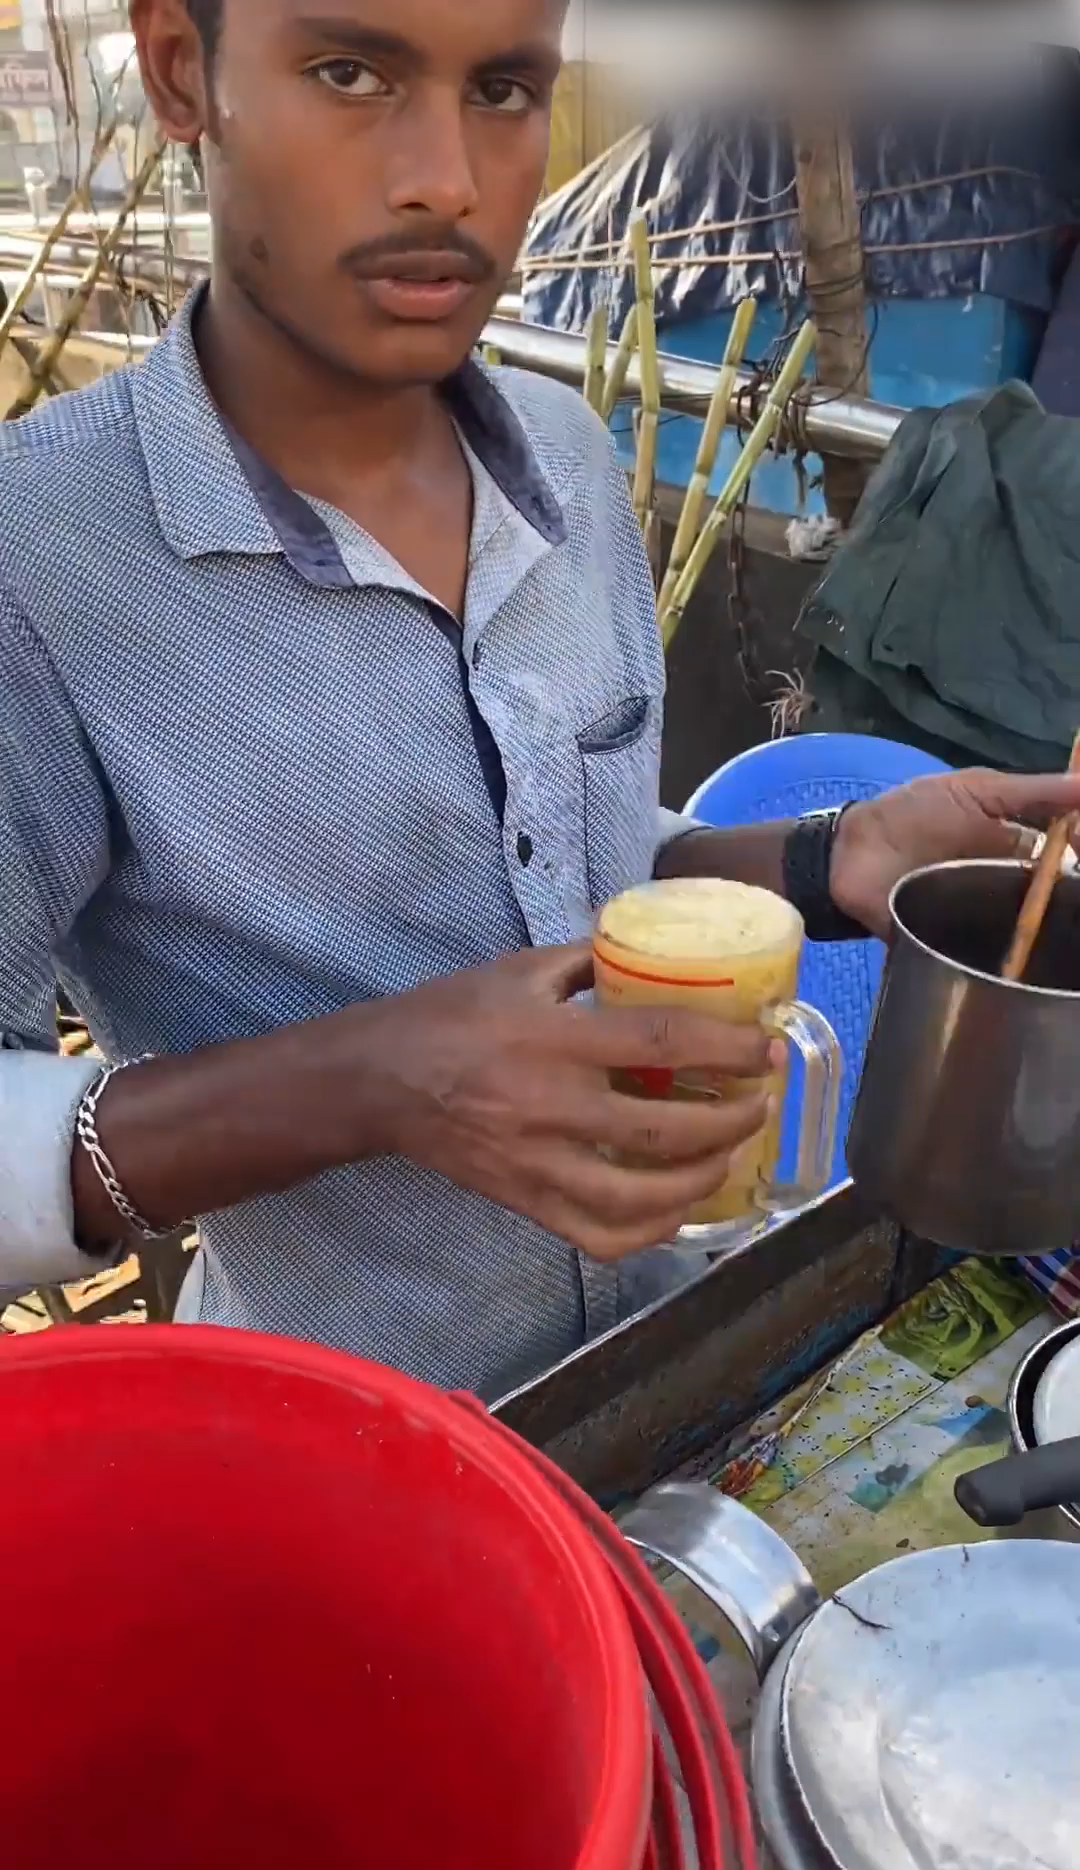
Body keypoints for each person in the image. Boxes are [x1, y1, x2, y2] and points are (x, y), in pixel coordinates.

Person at [1, 0, 1078, 1401]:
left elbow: (585, 862)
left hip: (670, 1361)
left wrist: (828, 862)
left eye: (506, 89)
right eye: (350, 71)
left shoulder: (567, 461)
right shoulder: (43, 562)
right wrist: (371, 1082)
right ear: (178, 68)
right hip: (356, 1424)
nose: (446, 178)